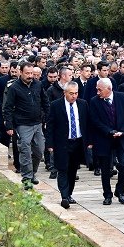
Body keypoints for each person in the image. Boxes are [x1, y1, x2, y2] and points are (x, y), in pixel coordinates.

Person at [4, 62, 50, 189]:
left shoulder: (38, 85)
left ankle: (33, 173)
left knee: (39, 151)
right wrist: (9, 126)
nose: (30, 76)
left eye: (32, 73)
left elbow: (45, 102)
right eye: (27, 73)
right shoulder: (14, 88)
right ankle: (27, 178)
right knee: (25, 150)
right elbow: (8, 108)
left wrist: (47, 117)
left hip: (37, 123)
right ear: (21, 72)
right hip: (22, 124)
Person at [88, 78, 124, 205]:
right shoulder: (94, 101)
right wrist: (109, 131)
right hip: (104, 138)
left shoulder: (123, 97)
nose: (97, 92)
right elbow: (95, 121)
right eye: (97, 89)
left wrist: (123, 131)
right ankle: (107, 194)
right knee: (105, 168)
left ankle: (120, 191)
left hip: (122, 137)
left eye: (99, 89)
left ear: (109, 89)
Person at [46, 81, 90, 209]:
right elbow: (50, 125)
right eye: (71, 93)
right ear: (64, 93)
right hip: (62, 142)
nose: (74, 96)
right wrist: (50, 144)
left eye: (76, 93)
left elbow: (87, 124)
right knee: (63, 169)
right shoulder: (56, 105)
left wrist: (89, 142)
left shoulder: (83, 104)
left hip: (77, 142)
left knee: (73, 170)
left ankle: (69, 193)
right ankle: (64, 196)